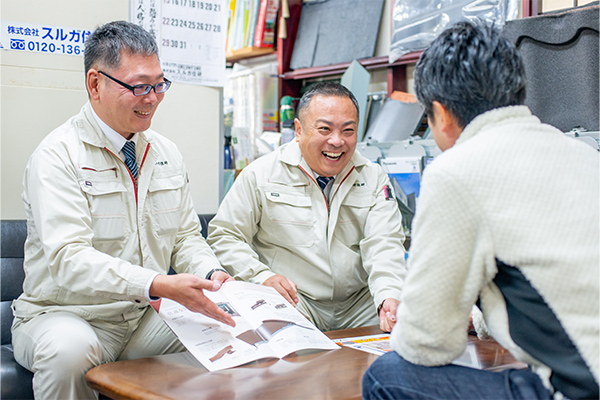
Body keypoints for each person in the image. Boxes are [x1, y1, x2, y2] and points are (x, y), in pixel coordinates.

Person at [362, 20, 599, 399]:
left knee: (387, 375)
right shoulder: (582, 155)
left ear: (441, 114)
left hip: (579, 391)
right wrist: (478, 316)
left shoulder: (456, 172)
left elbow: (426, 344)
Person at [12, 20, 235, 399]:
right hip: (66, 316)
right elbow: (69, 258)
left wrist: (212, 273)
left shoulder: (164, 152)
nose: (152, 98)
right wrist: (155, 283)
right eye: (138, 86)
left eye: (159, 85)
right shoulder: (58, 155)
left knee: (226, 328)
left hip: (142, 316)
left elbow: (184, 237)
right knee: (69, 351)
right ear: (95, 84)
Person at [207, 82, 407, 333]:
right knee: (287, 357)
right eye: (325, 129)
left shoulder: (373, 176)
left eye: (348, 130)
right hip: (294, 300)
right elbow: (225, 235)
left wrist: (389, 295)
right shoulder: (261, 174)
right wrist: (261, 277)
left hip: (360, 303)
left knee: (407, 331)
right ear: (299, 130)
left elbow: (384, 243)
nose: (337, 141)